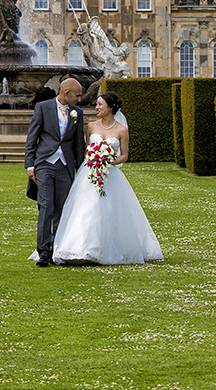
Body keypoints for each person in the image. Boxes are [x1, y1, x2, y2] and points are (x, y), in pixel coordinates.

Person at [51, 92, 163, 265]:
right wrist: (94, 160)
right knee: (85, 208)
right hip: (88, 174)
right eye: (96, 104)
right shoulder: (91, 126)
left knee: (109, 209)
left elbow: (124, 155)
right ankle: (79, 248)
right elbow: (87, 149)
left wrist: (107, 161)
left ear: (111, 108)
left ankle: (106, 248)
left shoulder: (121, 130)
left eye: (100, 104)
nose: (96, 107)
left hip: (109, 174)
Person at [24, 78, 86, 268]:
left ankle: (57, 250)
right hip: (44, 164)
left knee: (62, 208)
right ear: (66, 93)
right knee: (46, 206)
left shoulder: (77, 113)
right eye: (77, 95)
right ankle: (43, 252)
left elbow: (78, 143)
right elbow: (32, 137)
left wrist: (80, 168)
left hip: (65, 166)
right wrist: (30, 165)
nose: (79, 99)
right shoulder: (43, 108)